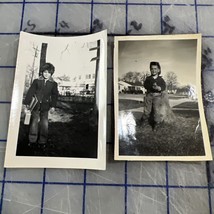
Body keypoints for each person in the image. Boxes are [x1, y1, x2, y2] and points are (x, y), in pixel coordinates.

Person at [24, 62, 58, 148]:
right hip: (35, 105)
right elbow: (30, 92)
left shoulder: (53, 84)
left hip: (45, 107)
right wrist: (27, 103)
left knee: (44, 124)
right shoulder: (37, 81)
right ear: (42, 72)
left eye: (49, 73)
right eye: (45, 72)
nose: (46, 74)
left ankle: (42, 141)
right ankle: (32, 140)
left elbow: (54, 95)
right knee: (34, 122)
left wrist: (53, 106)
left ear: (51, 74)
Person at [142, 61, 174, 129]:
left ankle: (157, 124)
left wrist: (159, 88)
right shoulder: (148, 79)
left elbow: (163, 86)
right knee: (147, 110)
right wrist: (151, 87)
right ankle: (144, 122)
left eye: (155, 69)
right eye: (152, 69)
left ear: (159, 70)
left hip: (157, 96)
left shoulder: (160, 79)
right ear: (150, 69)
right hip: (149, 96)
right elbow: (145, 85)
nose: (153, 70)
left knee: (157, 111)